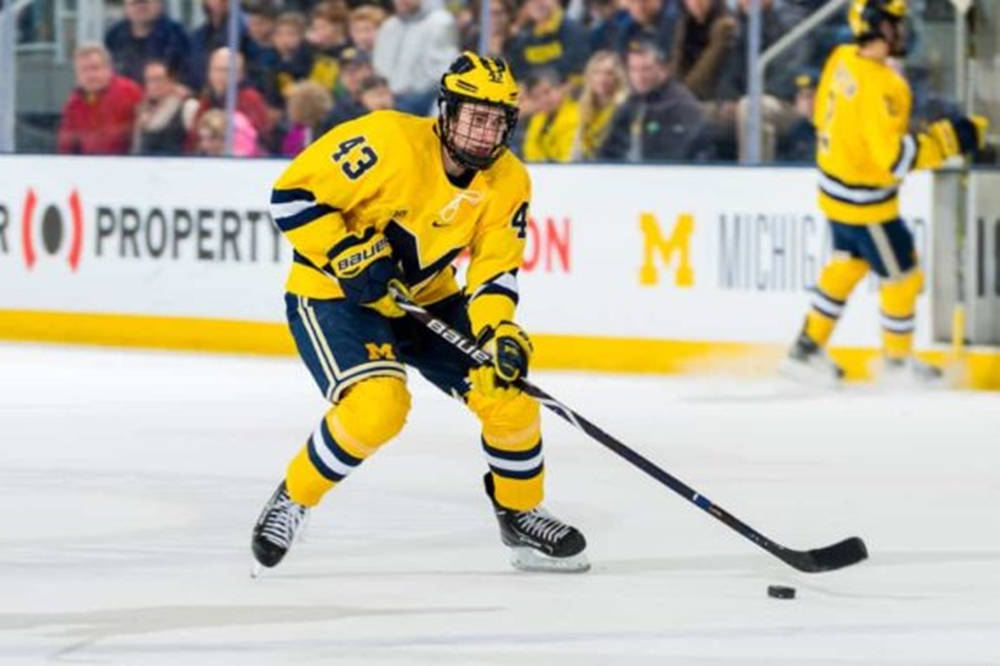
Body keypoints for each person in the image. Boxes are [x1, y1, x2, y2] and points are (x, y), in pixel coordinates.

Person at [251, 52, 589, 574]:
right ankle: (294, 498)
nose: (484, 133)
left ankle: (520, 514)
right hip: (334, 294)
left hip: (426, 296)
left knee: (509, 395)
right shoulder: (388, 140)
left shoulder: (508, 181)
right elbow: (292, 198)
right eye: (475, 117)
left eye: (497, 120)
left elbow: (493, 273)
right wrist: (344, 253)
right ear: (447, 112)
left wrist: (501, 330)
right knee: (378, 406)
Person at [781, 0, 987, 383]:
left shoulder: (842, 57)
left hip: (835, 193)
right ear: (877, 28)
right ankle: (897, 363)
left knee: (847, 264)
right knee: (904, 275)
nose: (902, 31)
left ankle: (805, 349)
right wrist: (948, 139)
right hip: (866, 204)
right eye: (895, 23)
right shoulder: (880, 85)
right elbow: (892, 159)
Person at [598, 41, 711, 162]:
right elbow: (608, 149)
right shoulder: (631, 103)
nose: (639, 76)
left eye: (646, 69)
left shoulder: (682, 105)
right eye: (633, 69)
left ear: (662, 69)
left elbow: (682, 155)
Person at [372, 0, 458, 115]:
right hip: (390, 96)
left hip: (424, 99)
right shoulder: (390, 25)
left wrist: (409, 91)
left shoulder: (440, 22)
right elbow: (380, 66)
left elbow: (442, 70)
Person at [57, 43, 144, 155]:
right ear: (77, 75)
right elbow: (65, 146)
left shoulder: (131, 92)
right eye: (84, 70)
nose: (91, 75)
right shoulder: (74, 103)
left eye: (95, 68)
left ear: (108, 68)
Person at [103, 0, 190, 84]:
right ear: (125, 8)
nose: (140, 7)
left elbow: (188, 75)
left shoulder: (177, 35)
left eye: (145, 2)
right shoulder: (113, 36)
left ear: (160, 5)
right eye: (135, 3)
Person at [572, 49, 627, 160]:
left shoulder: (624, 108)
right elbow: (576, 150)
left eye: (609, 73)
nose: (602, 79)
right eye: (597, 72)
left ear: (618, 76)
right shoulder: (583, 107)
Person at [521, 68, 579, 162]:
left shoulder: (576, 115)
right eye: (537, 97)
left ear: (562, 88)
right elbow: (530, 155)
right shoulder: (538, 118)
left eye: (547, 92)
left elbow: (568, 158)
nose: (544, 99)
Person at [132, 59, 188, 154]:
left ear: (171, 80)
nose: (152, 85)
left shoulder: (186, 107)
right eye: (148, 80)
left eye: (158, 79)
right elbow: (136, 148)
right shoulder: (143, 110)